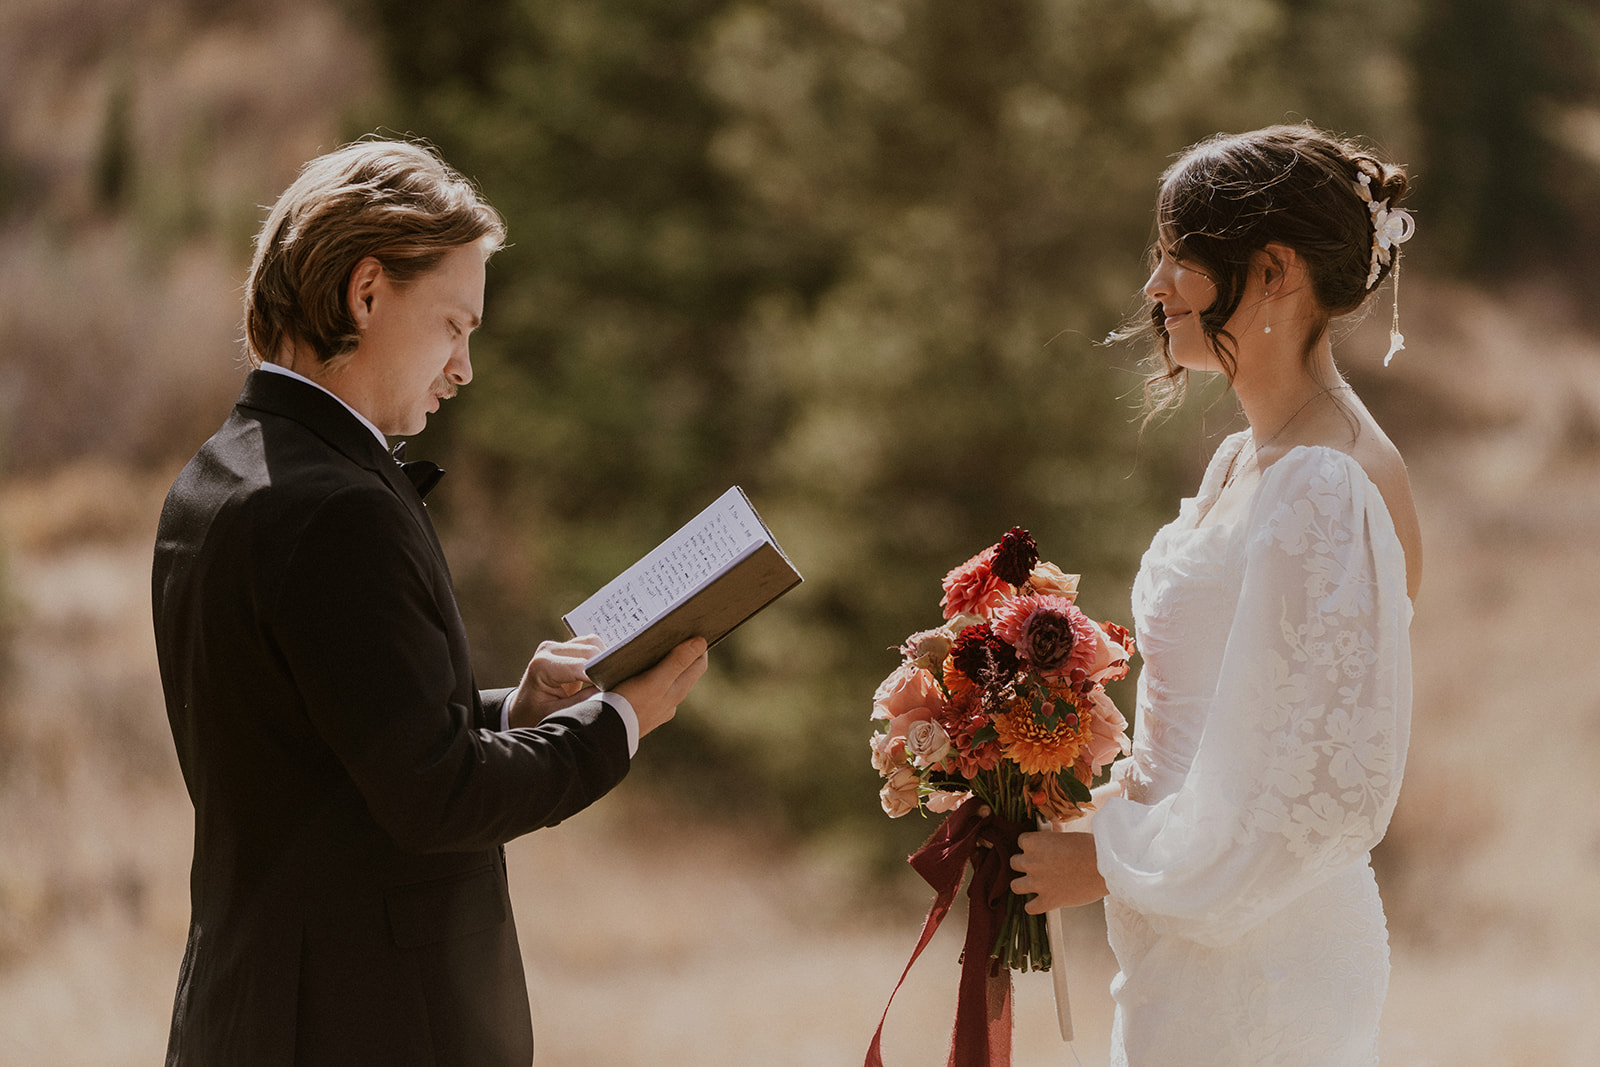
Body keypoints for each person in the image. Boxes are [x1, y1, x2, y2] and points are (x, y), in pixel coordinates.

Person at [152, 139, 709, 1066]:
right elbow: (436, 798)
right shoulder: (333, 507)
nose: (463, 368)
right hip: (360, 1024)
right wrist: (620, 722)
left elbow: (333, 737)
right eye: (455, 326)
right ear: (366, 292)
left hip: (249, 1007)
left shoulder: (222, 471)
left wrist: (516, 709)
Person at [1009, 124, 1422, 1065]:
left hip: (1261, 960)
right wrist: (1090, 798)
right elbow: (1218, 720)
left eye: (1177, 260)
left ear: (1273, 270)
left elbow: (1307, 789)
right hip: (1188, 931)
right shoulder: (1250, 457)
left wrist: (1110, 862)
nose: (1154, 288)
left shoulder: (1326, 482)